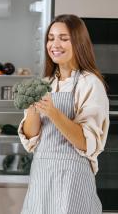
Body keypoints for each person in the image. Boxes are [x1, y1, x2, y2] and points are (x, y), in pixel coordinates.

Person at [18, 14, 110, 214]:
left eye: (63, 38)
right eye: (51, 38)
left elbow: (86, 142)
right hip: (42, 175)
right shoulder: (46, 83)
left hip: (73, 177)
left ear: (78, 43)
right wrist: (34, 110)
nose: (55, 44)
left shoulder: (90, 83)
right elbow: (31, 138)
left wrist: (52, 111)